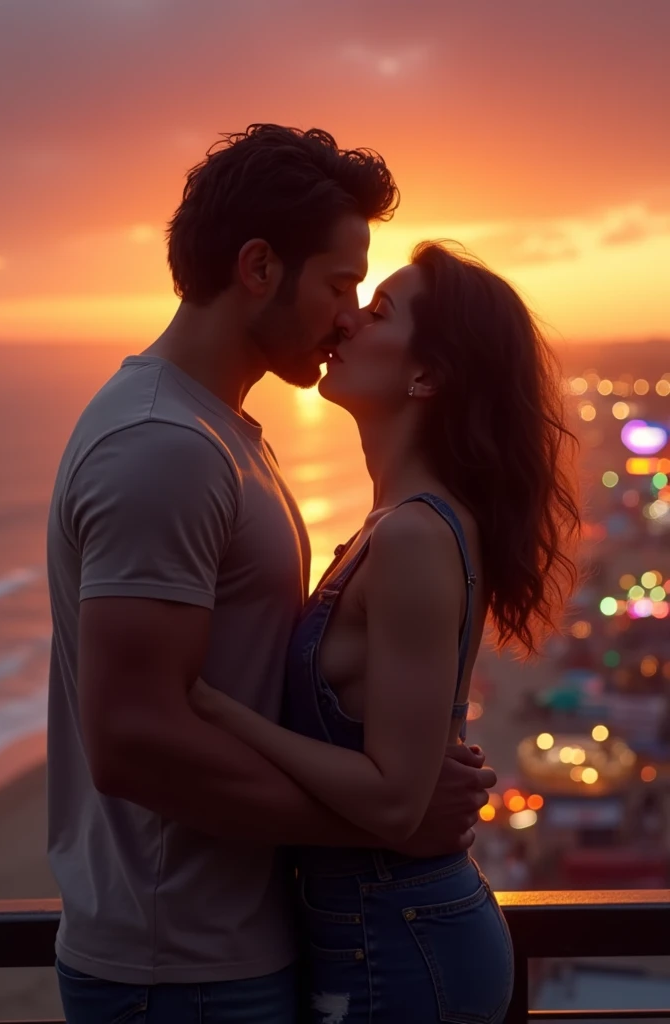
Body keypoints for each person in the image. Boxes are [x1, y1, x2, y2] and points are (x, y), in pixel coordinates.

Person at [46, 126, 497, 1024]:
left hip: (238, 944)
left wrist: (391, 783)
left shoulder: (221, 438)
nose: (347, 313)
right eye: (339, 285)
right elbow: (132, 740)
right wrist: (389, 817)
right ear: (258, 268)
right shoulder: (162, 448)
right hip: (177, 968)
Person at [191, 240, 581, 1022]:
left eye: (377, 314)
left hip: (400, 937)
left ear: (426, 375)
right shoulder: (394, 525)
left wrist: (214, 705)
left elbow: (396, 800)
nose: (345, 324)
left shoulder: (412, 536)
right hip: (381, 926)